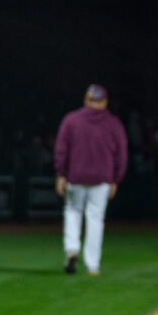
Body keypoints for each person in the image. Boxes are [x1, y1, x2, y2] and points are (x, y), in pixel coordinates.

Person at [54, 84, 128, 276]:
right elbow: (122, 154)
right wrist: (116, 179)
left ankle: (72, 250)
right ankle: (92, 266)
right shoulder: (113, 123)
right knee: (95, 220)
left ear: (86, 99)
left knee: (72, 211)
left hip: (76, 176)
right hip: (102, 178)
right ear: (104, 102)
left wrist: (61, 173)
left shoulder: (71, 119)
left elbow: (61, 149)